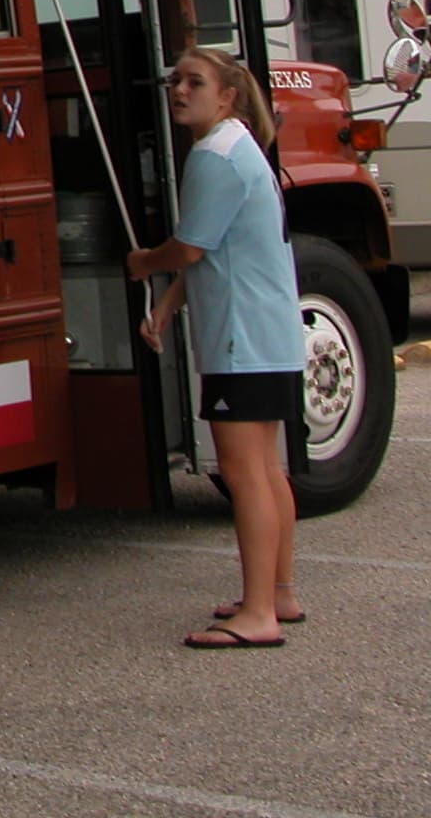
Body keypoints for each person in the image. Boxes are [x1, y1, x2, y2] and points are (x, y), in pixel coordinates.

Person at [126, 47, 307, 649]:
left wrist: (144, 263)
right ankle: (278, 593)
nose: (179, 90)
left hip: (240, 339)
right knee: (267, 470)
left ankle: (257, 614)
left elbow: (190, 248)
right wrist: (169, 304)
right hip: (269, 334)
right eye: (175, 79)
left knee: (243, 473)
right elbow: (215, 247)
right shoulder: (239, 147)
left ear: (227, 96)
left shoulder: (213, 156)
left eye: (194, 82)